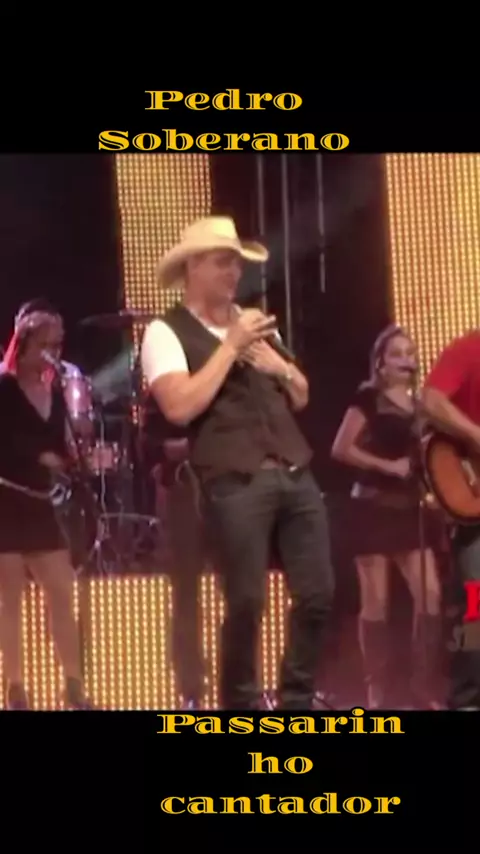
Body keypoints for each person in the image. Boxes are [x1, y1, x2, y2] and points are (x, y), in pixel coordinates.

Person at [140, 215, 334, 711]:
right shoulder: (165, 331)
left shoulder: (254, 321)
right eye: (223, 263)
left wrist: (280, 367)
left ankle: (295, 700)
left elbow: (302, 394)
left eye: (236, 264)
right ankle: (240, 705)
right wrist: (230, 346)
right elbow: (179, 406)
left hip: (293, 469)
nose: (233, 273)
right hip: (233, 479)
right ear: (193, 268)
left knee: (318, 594)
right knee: (246, 601)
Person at [331, 325, 444, 709]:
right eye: (397, 354)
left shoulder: (421, 405)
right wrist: (388, 466)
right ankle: (376, 691)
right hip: (372, 508)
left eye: (410, 353)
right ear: (380, 363)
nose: (406, 360)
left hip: (410, 510)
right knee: (376, 600)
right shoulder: (369, 398)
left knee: (430, 594)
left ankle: (423, 685)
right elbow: (341, 448)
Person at [0, 309, 92, 709]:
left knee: (61, 594)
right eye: (46, 345)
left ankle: (73, 685)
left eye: (58, 344)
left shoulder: (54, 393)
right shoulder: (4, 388)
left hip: (40, 504)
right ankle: (15, 687)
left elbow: (57, 442)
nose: (53, 352)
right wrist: (38, 456)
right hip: (6, 501)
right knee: (10, 600)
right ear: (25, 345)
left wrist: (72, 455)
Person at [422, 326, 480, 710]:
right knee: (477, 604)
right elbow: (430, 399)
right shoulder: (471, 347)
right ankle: (468, 698)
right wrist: (475, 434)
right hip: (470, 494)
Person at [139, 397, 206, 709]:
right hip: (185, 494)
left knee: (242, 589)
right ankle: (190, 687)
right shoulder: (166, 386)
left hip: (234, 491)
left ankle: (244, 681)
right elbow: (151, 445)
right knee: (185, 594)